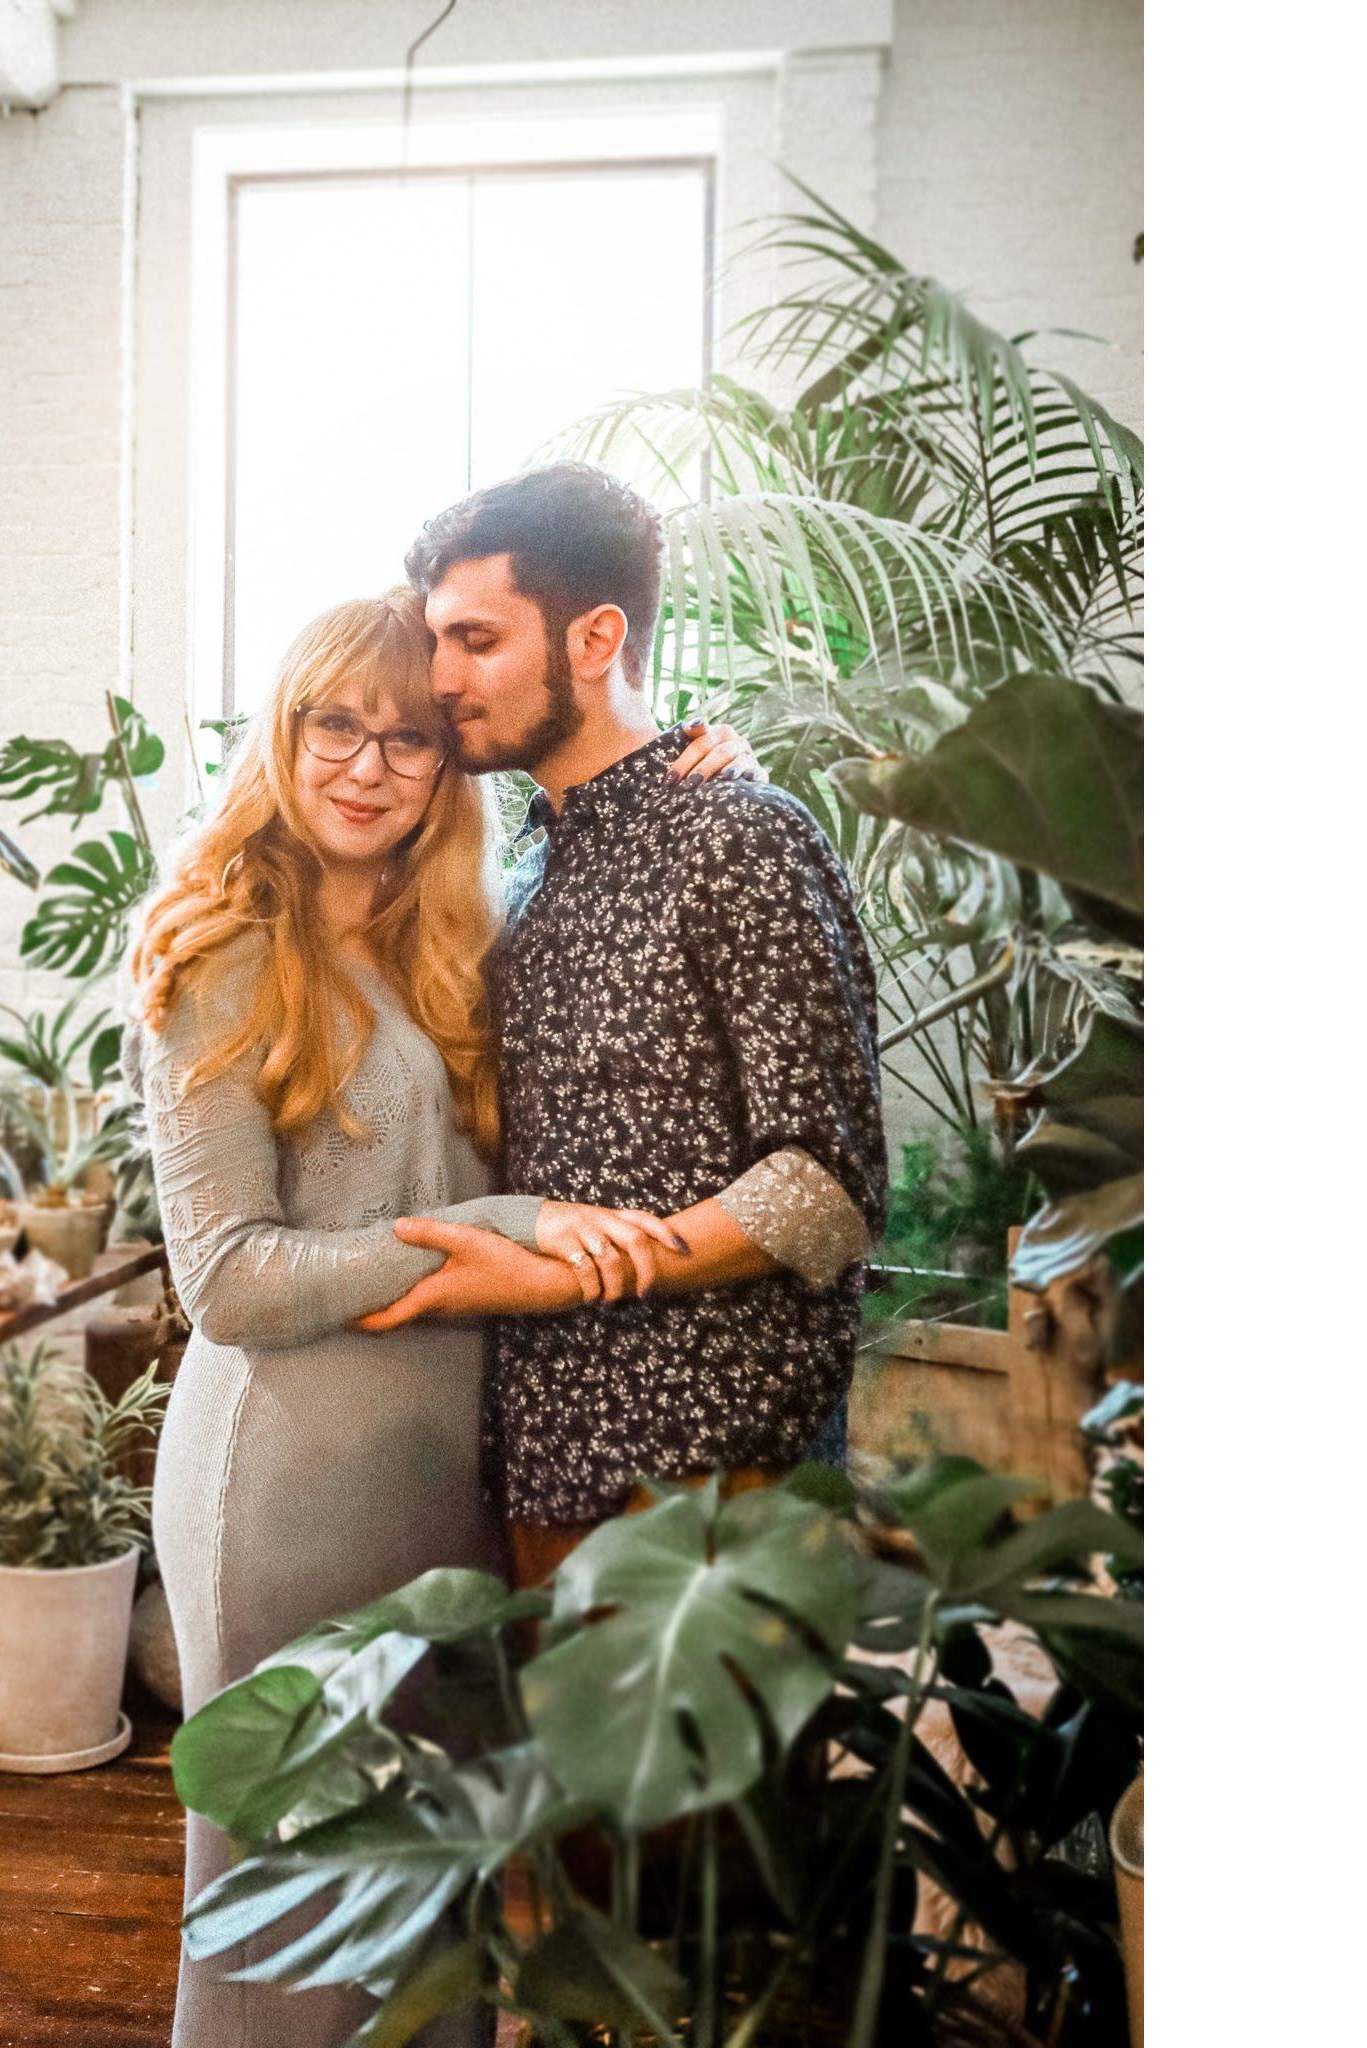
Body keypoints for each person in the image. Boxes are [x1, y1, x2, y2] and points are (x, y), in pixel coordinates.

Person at [121, 588, 760, 2048]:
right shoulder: (217, 948)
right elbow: (227, 1279)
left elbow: (618, 834)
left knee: (434, 1914)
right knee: (296, 1911)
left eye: (408, 738)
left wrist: (718, 771)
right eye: (334, 726)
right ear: (282, 734)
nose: (367, 765)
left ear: (448, 765)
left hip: (447, 1488)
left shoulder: (457, 937)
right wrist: (498, 1228)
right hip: (287, 1484)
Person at [358, 461, 889, 1588]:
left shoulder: (738, 838)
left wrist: (559, 1279)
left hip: (711, 1484)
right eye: (436, 641)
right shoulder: (524, 871)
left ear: (595, 639)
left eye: (475, 640)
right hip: (537, 1465)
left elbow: (825, 1193)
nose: (441, 678)